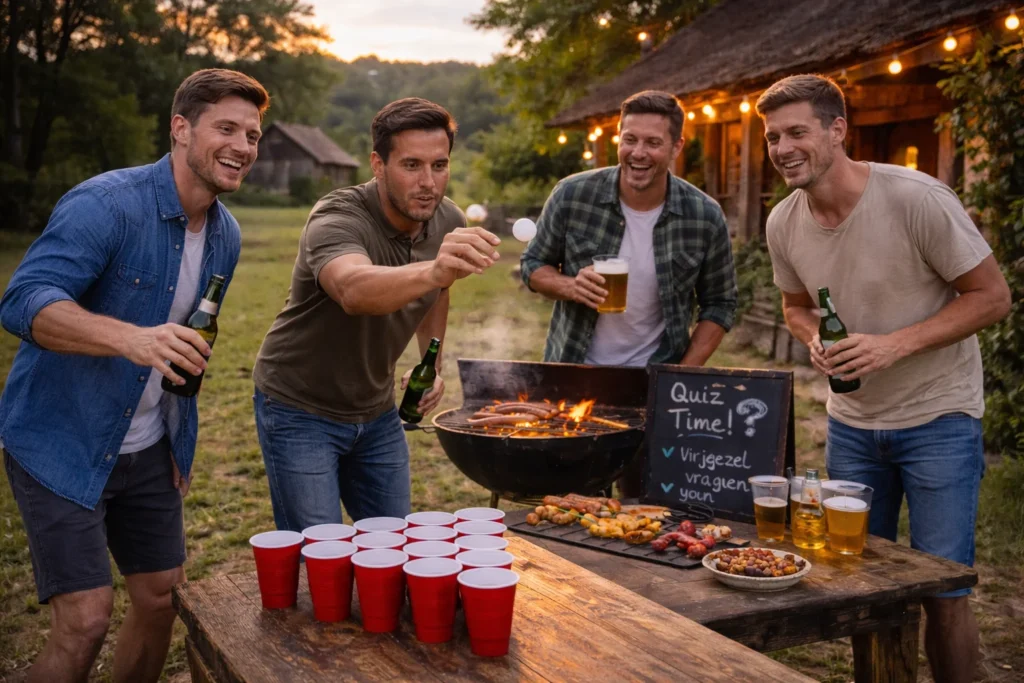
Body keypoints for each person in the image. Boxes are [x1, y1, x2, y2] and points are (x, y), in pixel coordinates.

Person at [0, 69, 268, 683]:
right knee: (87, 620)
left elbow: (187, 353)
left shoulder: (225, 234)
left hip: (149, 446)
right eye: (225, 128)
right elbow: (22, 300)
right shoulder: (106, 204)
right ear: (180, 128)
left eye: (252, 134)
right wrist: (129, 338)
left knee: (159, 599)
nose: (242, 146)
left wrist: (180, 437)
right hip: (62, 438)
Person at [757, 74, 1010, 683]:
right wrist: (812, 337)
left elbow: (993, 298)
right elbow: (795, 306)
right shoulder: (782, 222)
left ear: (837, 130)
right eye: (772, 137)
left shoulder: (914, 197)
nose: (783, 147)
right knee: (856, 581)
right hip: (852, 428)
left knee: (941, 587)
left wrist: (895, 345)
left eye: (797, 131)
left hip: (938, 419)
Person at [252, 97, 501, 531]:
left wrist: (432, 364)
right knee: (324, 554)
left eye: (439, 166)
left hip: (376, 410)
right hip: (299, 408)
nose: (428, 182)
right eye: (411, 165)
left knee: (394, 548)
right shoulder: (336, 217)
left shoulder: (448, 221)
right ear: (377, 164)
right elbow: (353, 289)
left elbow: (438, 290)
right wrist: (435, 269)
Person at [520, 90, 737, 495]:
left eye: (653, 143)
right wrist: (570, 285)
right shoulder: (573, 194)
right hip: (575, 375)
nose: (638, 153)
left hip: (650, 382)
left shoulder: (704, 215)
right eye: (630, 139)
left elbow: (721, 303)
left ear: (676, 147)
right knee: (571, 499)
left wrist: (679, 376)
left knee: (645, 504)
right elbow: (532, 266)